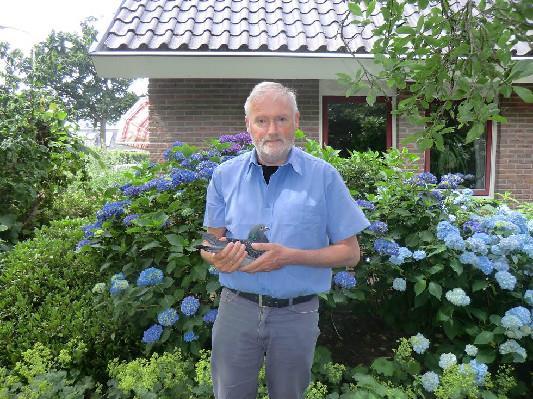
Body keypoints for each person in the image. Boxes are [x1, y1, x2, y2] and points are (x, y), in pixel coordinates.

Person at [201, 81, 369, 399]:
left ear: (296, 121)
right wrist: (216, 256)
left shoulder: (324, 177)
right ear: (248, 125)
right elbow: (210, 243)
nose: (272, 130)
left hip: (297, 314)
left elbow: (350, 253)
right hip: (236, 310)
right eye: (261, 120)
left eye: (281, 119)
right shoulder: (224, 175)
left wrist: (288, 256)